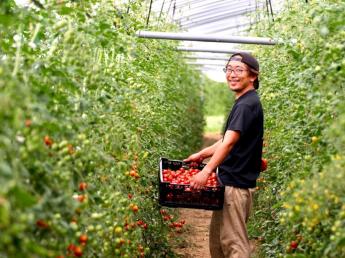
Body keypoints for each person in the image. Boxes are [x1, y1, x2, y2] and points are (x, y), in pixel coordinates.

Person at [184, 52, 264, 258]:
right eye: (229, 69)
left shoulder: (246, 104)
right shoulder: (244, 102)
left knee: (234, 245)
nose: (232, 74)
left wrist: (207, 171)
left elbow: (228, 144)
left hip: (235, 187)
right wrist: (202, 154)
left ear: (253, 76)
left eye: (239, 70)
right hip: (229, 182)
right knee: (219, 243)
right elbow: (227, 139)